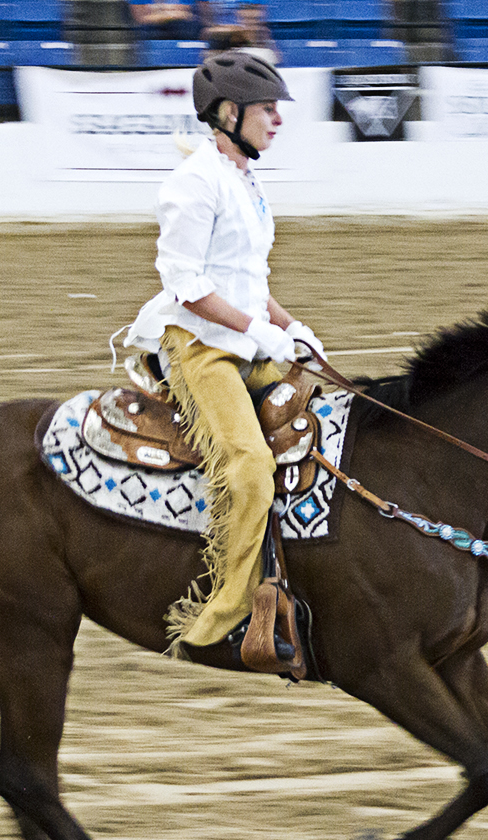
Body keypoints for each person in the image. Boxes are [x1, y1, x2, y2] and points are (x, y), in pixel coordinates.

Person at [123, 51, 319, 667]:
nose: (277, 122)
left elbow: (245, 278)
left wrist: (291, 327)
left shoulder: (243, 180)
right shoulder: (191, 184)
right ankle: (222, 619)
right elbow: (188, 287)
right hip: (200, 348)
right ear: (229, 113)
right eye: (268, 110)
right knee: (251, 469)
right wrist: (260, 334)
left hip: (246, 334)